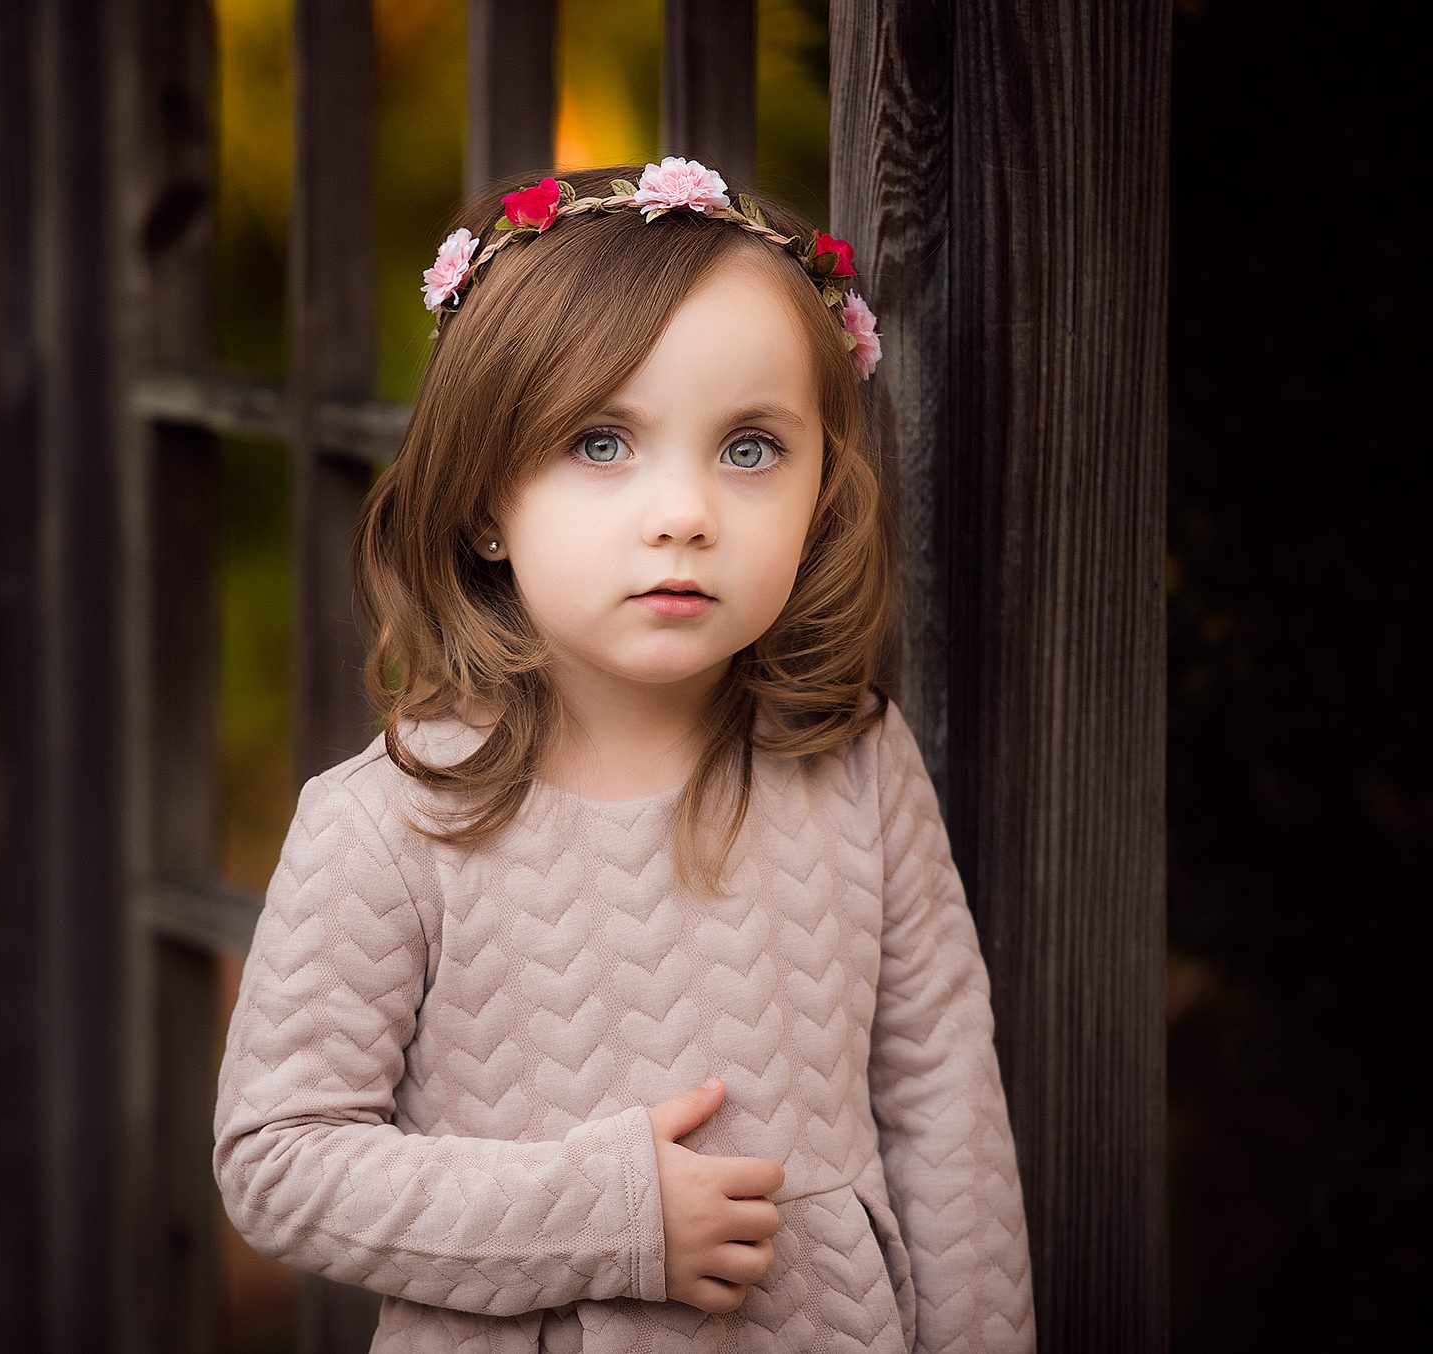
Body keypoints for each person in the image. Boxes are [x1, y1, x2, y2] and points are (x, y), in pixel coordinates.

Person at [211, 157, 1035, 1353]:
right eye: (600, 443)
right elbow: (277, 1161)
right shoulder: (386, 826)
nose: (683, 514)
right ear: (482, 501)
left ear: (818, 490)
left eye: (748, 448)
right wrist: (604, 1215)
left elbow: (946, 1112)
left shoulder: (855, 763)